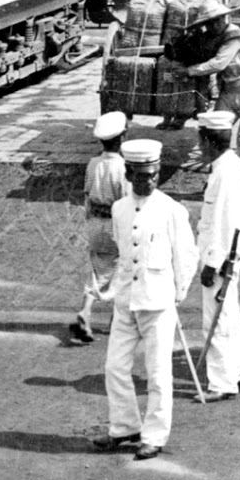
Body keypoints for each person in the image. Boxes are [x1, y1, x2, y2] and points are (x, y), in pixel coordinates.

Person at [94, 139, 198, 460]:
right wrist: (115, 296)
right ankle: (125, 427)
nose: (148, 181)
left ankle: (154, 435)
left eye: (153, 175)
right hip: (126, 301)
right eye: (141, 176)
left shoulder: (171, 210)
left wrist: (176, 295)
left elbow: (186, 256)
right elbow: (121, 253)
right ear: (128, 173)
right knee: (114, 368)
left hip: (158, 303)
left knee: (157, 373)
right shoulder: (119, 209)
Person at [194, 111, 240, 401]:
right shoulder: (231, 166)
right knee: (230, 316)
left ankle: (221, 382)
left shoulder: (225, 173)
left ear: (208, 141)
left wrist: (212, 263)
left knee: (216, 321)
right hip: (229, 253)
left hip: (222, 256)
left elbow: (224, 221)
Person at [69, 110, 128, 345]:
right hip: (114, 224)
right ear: (122, 138)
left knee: (98, 268)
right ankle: (115, 319)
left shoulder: (93, 163)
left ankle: (87, 312)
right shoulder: (122, 167)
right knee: (122, 269)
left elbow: (86, 193)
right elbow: (125, 201)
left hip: (95, 222)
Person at [183, 0, 240, 166]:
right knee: (214, 134)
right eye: (210, 22)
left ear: (225, 18)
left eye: (218, 20)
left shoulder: (234, 36)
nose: (215, 25)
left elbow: (218, 63)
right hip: (228, 92)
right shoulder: (210, 39)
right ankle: (217, 177)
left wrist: (189, 71)